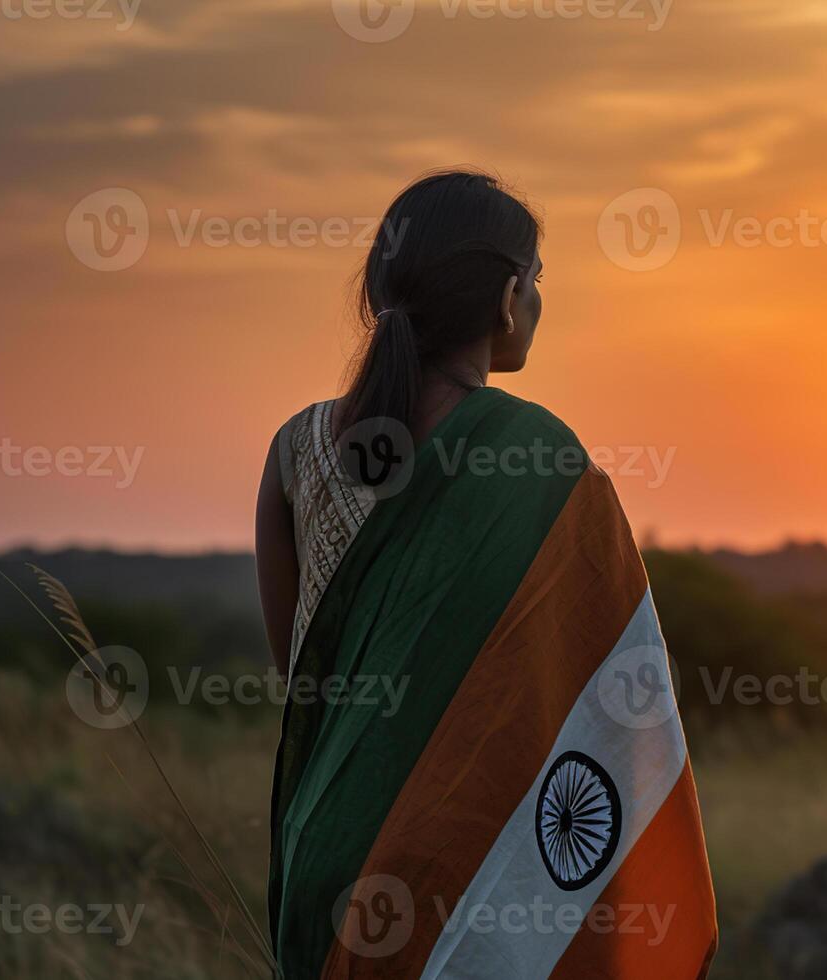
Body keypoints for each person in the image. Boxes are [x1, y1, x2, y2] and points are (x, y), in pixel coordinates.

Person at [253, 169, 715, 979]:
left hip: (323, 853)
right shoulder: (537, 458)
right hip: (464, 864)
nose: (538, 302)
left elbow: (300, 678)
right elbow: (611, 690)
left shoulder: (295, 450)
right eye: (537, 280)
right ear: (507, 297)